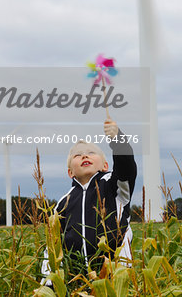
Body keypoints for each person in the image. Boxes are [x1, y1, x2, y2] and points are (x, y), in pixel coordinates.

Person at [41, 118, 137, 285]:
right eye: (77, 155)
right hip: (77, 281)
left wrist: (118, 140)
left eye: (91, 153)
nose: (84, 155)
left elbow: (126, 166)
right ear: (70, 172)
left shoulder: (114, 186)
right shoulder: (63, 203)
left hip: (116, 277)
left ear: (105, 165)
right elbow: (52, 245)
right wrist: (49, 283)